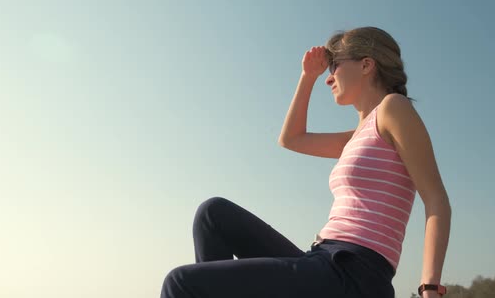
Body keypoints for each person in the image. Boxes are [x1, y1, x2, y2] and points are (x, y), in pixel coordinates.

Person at [160, 26, 451, 298]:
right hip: (323, 259)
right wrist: (307, 77)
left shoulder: (393, 108)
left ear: (366, 65)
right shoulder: (356, 136)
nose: (328, 77)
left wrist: (429, 287)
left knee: (181, 283)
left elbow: (436, 200)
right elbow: (291, 139)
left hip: (355, 272)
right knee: (213, 214)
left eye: (334, 65)